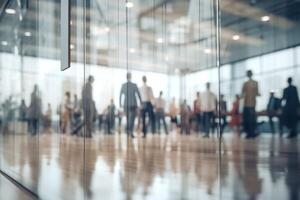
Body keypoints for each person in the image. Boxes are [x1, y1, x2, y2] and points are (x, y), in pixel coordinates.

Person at [119, 72, 142, 138]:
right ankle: (130, 131)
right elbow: (138, 94)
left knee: (128, 118)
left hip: (126, 104)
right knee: (132, 119)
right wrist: (140, 102)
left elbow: (120, 95)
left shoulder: (123, 85)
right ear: (130, 77)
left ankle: (128, 131)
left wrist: (120, 104)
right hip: (133, 104)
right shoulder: (134, 85)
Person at [242, 70, 260, 139]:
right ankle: (250, 132)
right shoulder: (247, 83)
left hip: (250, 104)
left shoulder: (248, 83)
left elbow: (242, 94)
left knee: (251, 119)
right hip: (248, 104)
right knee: (249, 119)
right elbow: (257, 93)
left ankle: (251, 132)